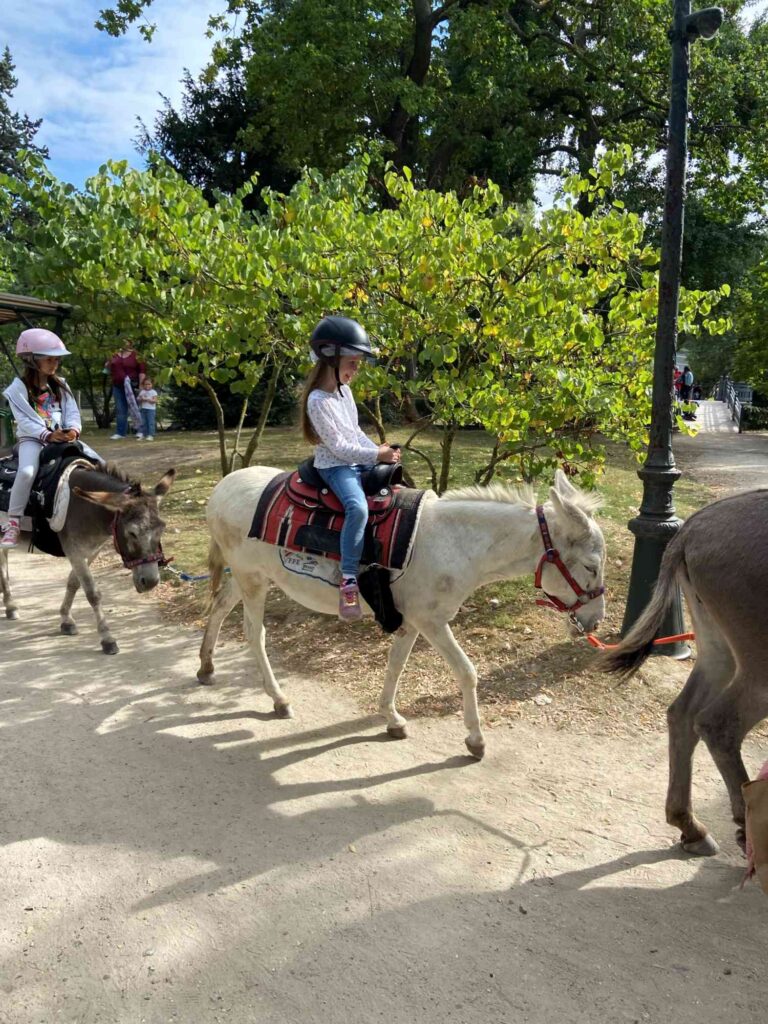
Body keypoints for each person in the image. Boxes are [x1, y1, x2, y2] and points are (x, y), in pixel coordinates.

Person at [300, 316, 400, 622]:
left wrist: (379, 451)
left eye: (358, 363)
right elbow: (340, 449)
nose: (356, 369)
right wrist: (375, 456)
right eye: (353, 362)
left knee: (396, 490)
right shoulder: (318, 401)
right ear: (330, 358)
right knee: (357, 508)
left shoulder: (344, 393)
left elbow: (355, 433)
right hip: (336, 467)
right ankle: (348, 579)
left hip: (356, 459)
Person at [1, 328, 101, 548]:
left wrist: (73, 429)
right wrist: (47, 434)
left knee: (98, 463)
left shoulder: (61, 385)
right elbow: (25, 420)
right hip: (34, 440)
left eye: (56, 359)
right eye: (49, 359)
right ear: (31, 359)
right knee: (27, 473)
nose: (54, 363)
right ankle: (14, 523)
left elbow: (72, 412)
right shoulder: (17, 389)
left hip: (62, 438)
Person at [105, 341, 145, 439]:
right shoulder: (114, 355)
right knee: (120, 409)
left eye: (125, 341)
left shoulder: (137, 355)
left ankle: (141, 430)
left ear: (130, 342)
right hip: (118, 386)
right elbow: (107, 370)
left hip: (133, 385)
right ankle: (120, 432)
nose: (123, 343)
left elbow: (142, 371)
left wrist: (141, 385)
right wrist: (107, 364)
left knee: (136, 408)